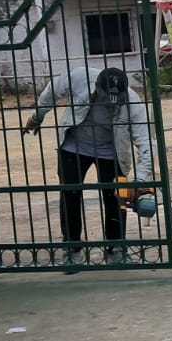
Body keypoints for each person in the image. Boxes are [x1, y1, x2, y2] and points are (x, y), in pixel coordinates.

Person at [22, 66, 155, 268]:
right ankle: (72, 247)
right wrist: (38, 115)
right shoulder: (79, 77)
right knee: (70, 194)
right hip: (74, 145)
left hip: (111, 150)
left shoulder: (133, 104)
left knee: (116, 196)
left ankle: (116, 248)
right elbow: (53, 90)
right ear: (97, 88)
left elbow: (146, 142)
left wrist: (140, 180)